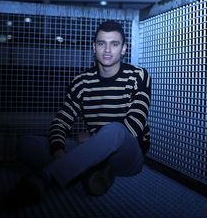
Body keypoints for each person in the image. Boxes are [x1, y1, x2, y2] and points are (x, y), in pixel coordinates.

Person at [12, 20, 151, 206]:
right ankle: (91, 171)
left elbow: (135, 123)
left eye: (114, 44)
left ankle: (46, 177)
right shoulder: (81, 82)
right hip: (92, 148)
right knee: (26, 144)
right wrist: (58, 151)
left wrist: (93, 136)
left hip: (126, 155)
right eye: (102, 43)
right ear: (94, 47)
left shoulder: (138, 75)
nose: (107, 50)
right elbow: (61, 122)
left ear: (124, 49)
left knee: (116, 130)